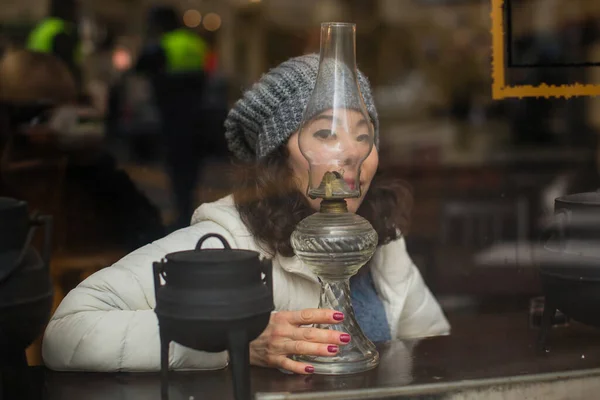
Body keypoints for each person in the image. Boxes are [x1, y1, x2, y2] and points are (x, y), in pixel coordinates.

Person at [42, 54, 450, 374]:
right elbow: (67, 332)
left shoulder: (380, 239)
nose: (353, 152)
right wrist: (232, 342)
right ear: (277, 159)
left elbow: (433, 346)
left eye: (365, 135)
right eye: (325, 133)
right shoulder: (226, 242)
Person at [134, 6, 210, 230]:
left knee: (176, 166)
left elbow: (140, 67)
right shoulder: (195, 43)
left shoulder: (164, 44)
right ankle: (188, 210)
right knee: (191, 167)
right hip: (197, 113)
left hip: (173, 113)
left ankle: (182, 215)